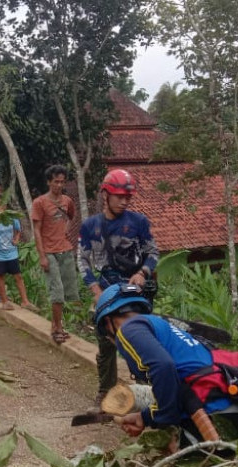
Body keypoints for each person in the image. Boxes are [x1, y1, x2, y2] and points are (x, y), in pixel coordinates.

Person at [93, 283, 238, 447]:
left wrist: (162, 417)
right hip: (231, 409)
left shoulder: (128, 329)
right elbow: (181, 379)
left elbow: (164, 367)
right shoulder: (164, 328)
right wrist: (145, 418)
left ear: (107, 322)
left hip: (211, 416)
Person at [78, 168, 160, 406]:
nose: (124, 202)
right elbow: (82, 259)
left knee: (142, 342)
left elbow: (152, 252)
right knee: (106, 345)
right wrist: (95, 289)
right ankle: (106, 391)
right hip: (106, 293)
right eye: (119, 197)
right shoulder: (90, 226)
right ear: (106, 195)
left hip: (134, 294)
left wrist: (142, 272)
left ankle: (147, 392)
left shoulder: (139, 222)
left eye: (128, 198)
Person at [31, 165, 79, 344]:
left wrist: (66, 230)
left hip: (65, 250)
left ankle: (59, 324)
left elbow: (71, 216)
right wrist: (42, 255)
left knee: (68, 292)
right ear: (49, 182)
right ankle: (56, 327)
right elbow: (36, 230)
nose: (59, 185)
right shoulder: (40, 203)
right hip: (49, 251)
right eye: (56, 181)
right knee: (57, 291)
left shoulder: (67, 201)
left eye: (62, 182)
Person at [0, 194, 38, 312]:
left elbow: (18, 230)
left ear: (4, 205)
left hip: (12, 253)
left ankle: (25, 301)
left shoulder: (12, 218)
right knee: (0, 277)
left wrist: (16, 238)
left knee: (18, 276)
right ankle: (5, 302)